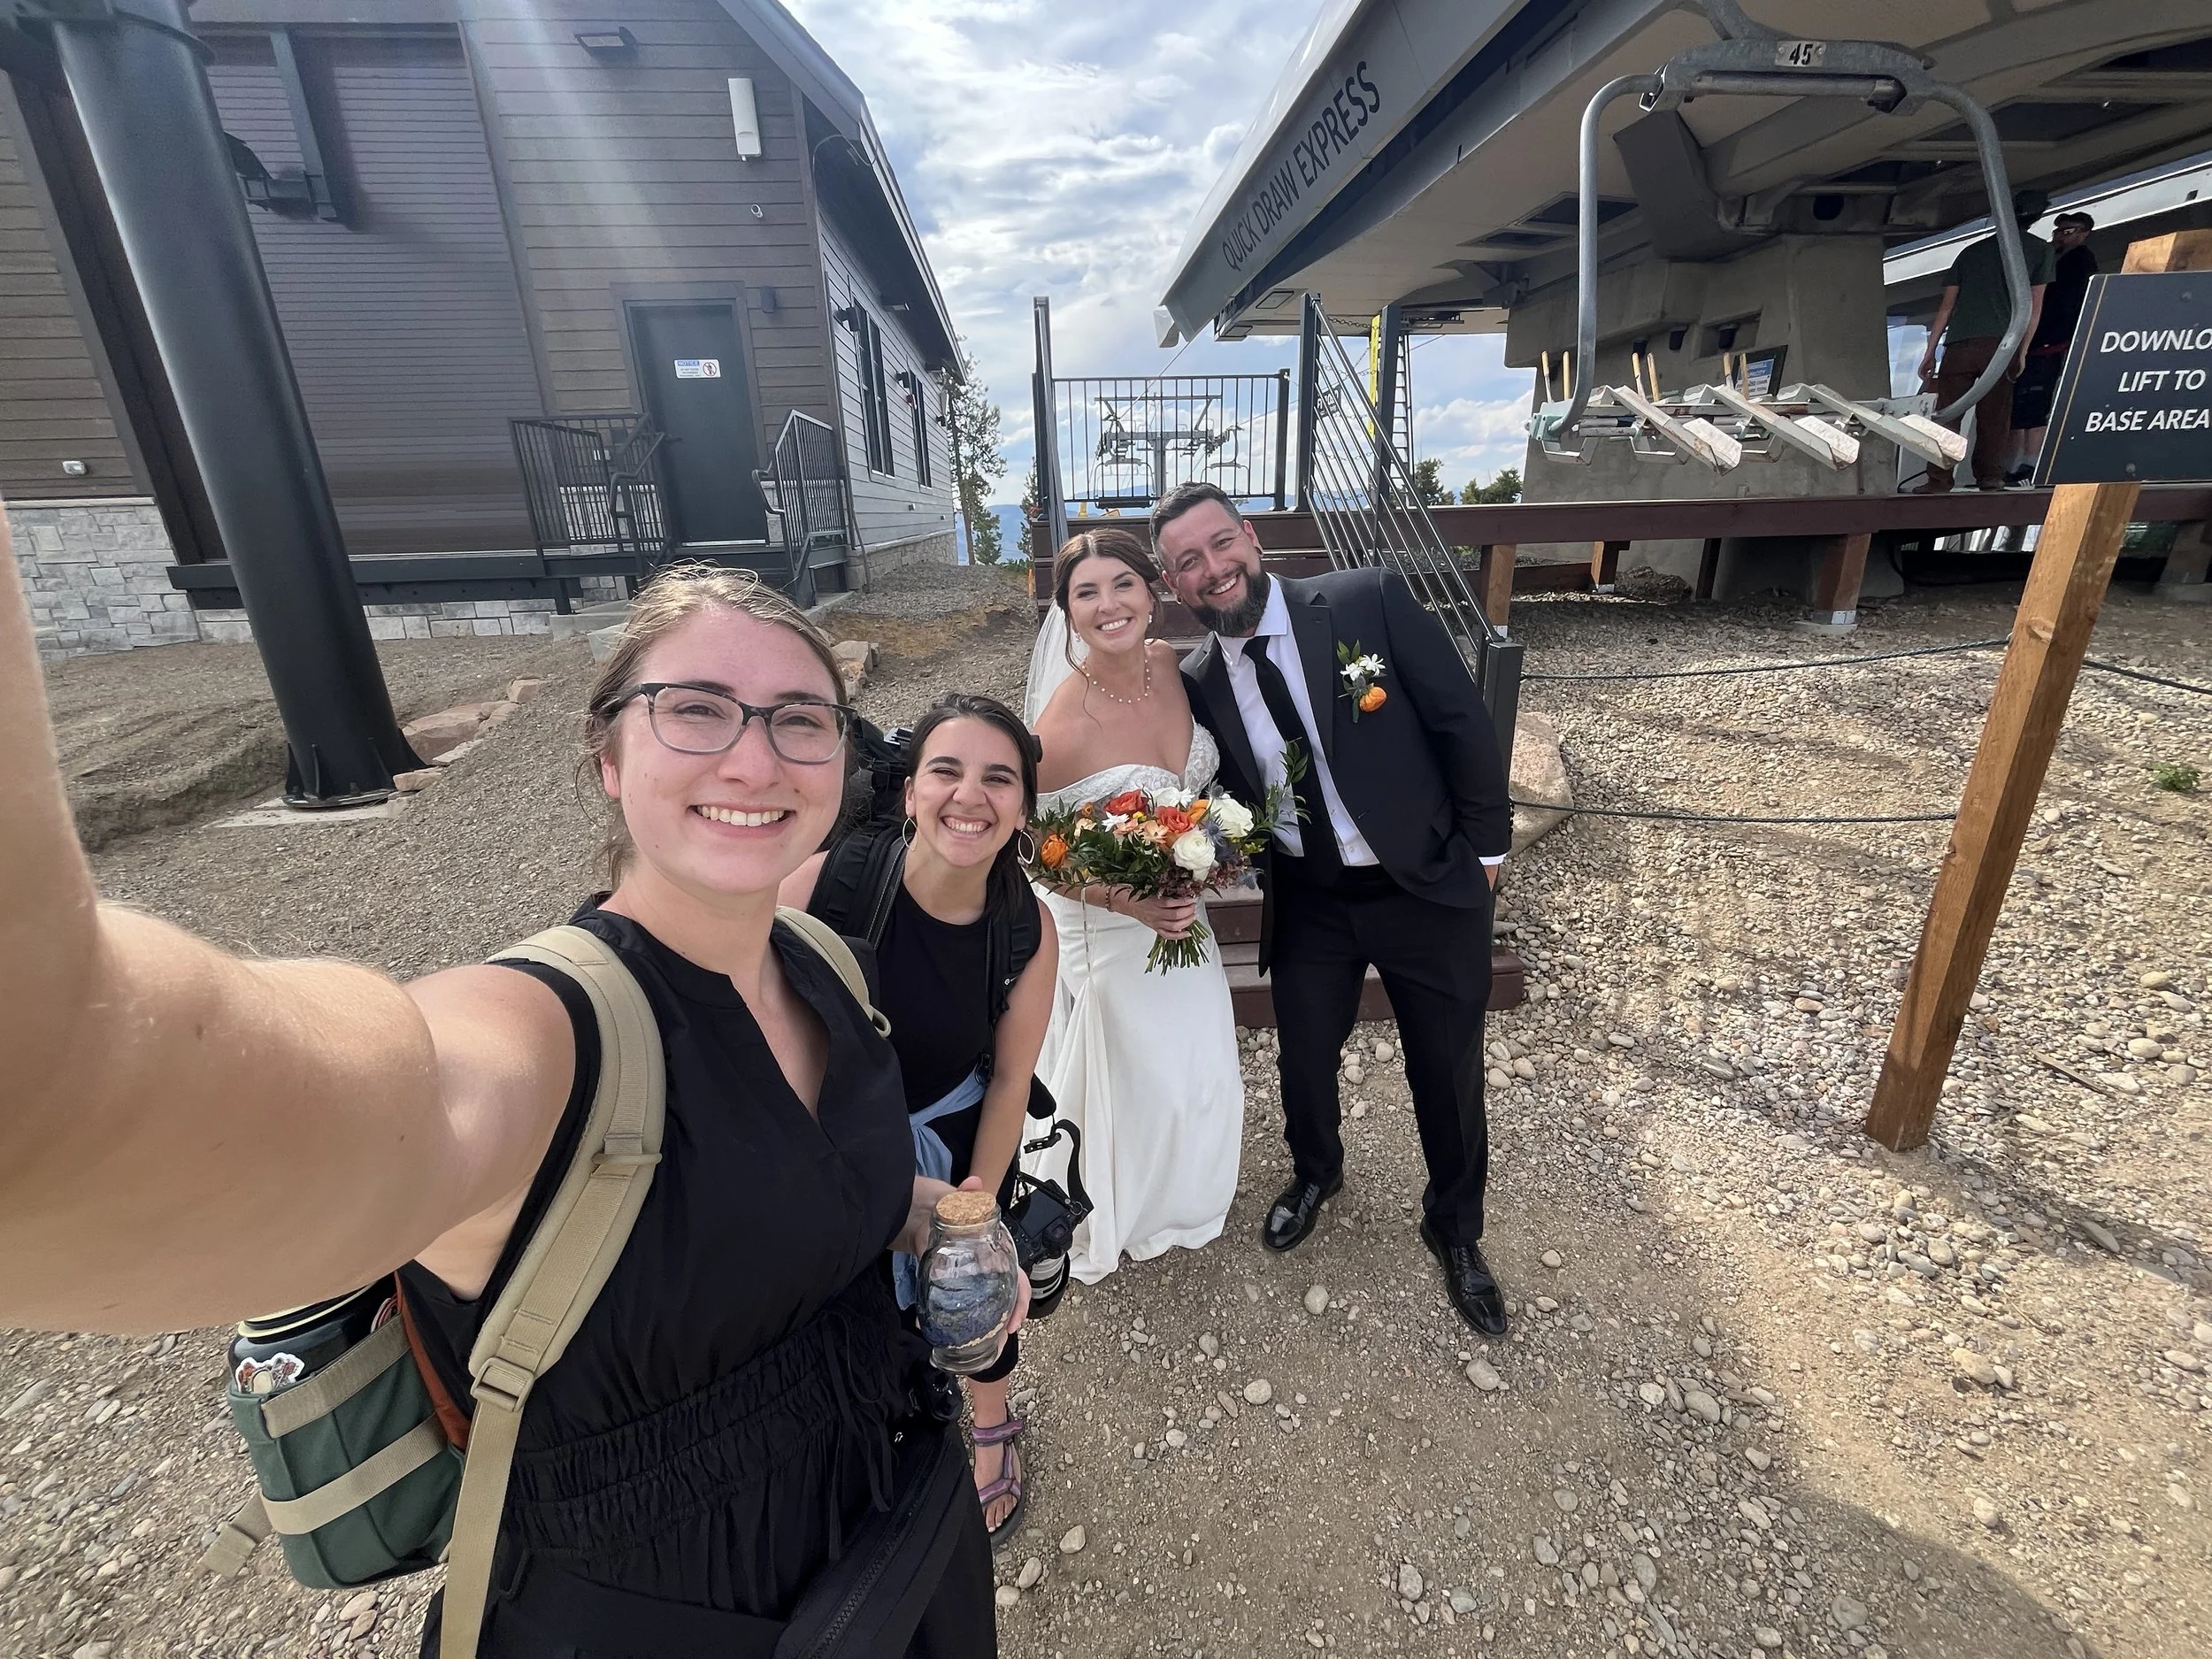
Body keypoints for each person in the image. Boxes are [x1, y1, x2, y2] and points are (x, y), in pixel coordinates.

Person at [0, 547, 1003, 1657]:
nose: (756, 757)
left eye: (800, 719)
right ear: (607, 755)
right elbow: (100, 1108)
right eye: (696, 709)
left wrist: (919, 1213)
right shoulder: (540, 1035)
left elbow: (787, 1190)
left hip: (902, 1548)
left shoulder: (827, 964)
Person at [1155, 483, 1512, 1336]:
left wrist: (1487, 851)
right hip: (1310, 895)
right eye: (1188, 562)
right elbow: (1224, 790)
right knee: (1305, 1056)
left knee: (1446, 1068)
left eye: (1221, 543)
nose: (1213, 569)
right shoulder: (1199, 680)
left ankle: (1454, 1225)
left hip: (1423, 883)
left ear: (1251, 538)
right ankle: (1317, 1169)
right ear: (1173, 584)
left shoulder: (1364, 600)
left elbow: (1461, 719)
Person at [781, 693, 1057, 1548]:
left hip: (952, 1126)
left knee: (975, 1289)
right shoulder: (828, 884)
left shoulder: (1025, 928)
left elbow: (1010, 1077)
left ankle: (991, 1419)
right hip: (825, 1138)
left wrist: (976, 1204)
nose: (969, 795)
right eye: (946, 770)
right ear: (909, 791)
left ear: (1023, 809)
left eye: (998, 778)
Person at [1023, 527, 1246, 1283]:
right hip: (1109, 927)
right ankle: (1114, 1206)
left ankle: (1190, 1195)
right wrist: (1125, 899)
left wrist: (1211, 855)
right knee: (1140, 1074)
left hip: (1181, 908)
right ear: (1067, 612)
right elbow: (1032, 854)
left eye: (1122, 583)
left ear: (1152, 594)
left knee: (1200, 1063)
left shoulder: (1169, 665)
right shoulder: (1058, 728)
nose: (1108, 604)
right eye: (1086, 592)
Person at [1913, 188, 2054, 493]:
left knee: (1948, 413)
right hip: (2003, 345)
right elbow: (2034, 307)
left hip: (1960, 344)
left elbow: (1947, 306)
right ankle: (1990, 476)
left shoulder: (1971, 252)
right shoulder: (2040, 251)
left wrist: (1930, 351)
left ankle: (1938, 480)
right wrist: (2022, 350)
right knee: (1995, 416)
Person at [2007, 210, 2098, 483]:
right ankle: (2012, 464)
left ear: (2083, 234)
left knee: (2035, 405)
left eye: (2067, 232)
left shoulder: (2080, 261)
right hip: (2034, 341)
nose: (2059, 236)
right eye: (2058, 231)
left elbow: (2066, 303)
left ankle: (2030, 464)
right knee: (2018, 406)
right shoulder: (2052, 259)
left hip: (2050, 343)